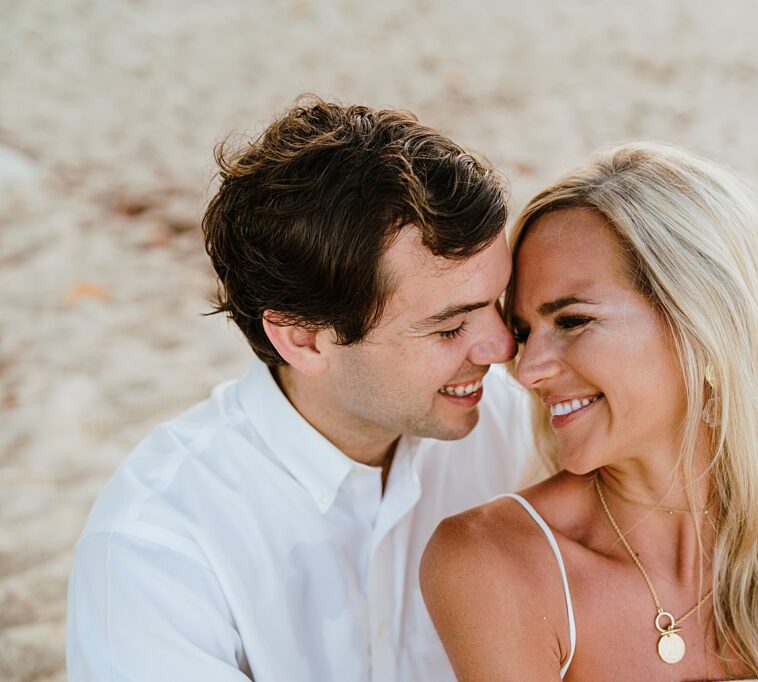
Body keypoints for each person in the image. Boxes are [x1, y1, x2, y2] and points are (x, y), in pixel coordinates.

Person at [65, 97, 535, 681]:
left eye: (498, 302)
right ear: (304, 340)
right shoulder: (154, 546)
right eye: (449, 326)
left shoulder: (522, 427)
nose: (503, 348)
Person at [421, 143, 758, 681]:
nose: (527, 370)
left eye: (572, 321)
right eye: (525, 332)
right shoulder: (499, 564)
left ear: (701, 324)